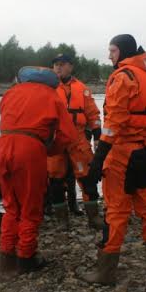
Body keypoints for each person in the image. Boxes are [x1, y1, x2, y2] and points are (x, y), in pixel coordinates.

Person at [82, 34, 146, 285]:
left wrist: (98, 160)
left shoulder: (123, 77)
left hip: (123, 154)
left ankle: (105, 272)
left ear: (124, 51)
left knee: (116, 211)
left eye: (113, 51)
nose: (109, 56)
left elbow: (113, 123)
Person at [0, 67, 77, 275]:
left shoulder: (10, 93)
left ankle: (6, 256)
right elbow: (68, 135)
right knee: (30, 205)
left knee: (11, 204)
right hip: (30, 148)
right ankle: (26, 257)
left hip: (3, 145)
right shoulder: (52, 96)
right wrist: (50, 150)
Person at [45, 53, 105, 230]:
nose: (58, 67)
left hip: (78, 138)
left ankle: (93, 217)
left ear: (70, 66)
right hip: (55, 139)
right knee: (55, 180)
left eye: (62, 64)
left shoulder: (82, 88)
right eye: (56, 64)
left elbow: (93, 114)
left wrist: (97, 136)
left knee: (87, 178)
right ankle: (62, 221)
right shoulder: (47, 87)